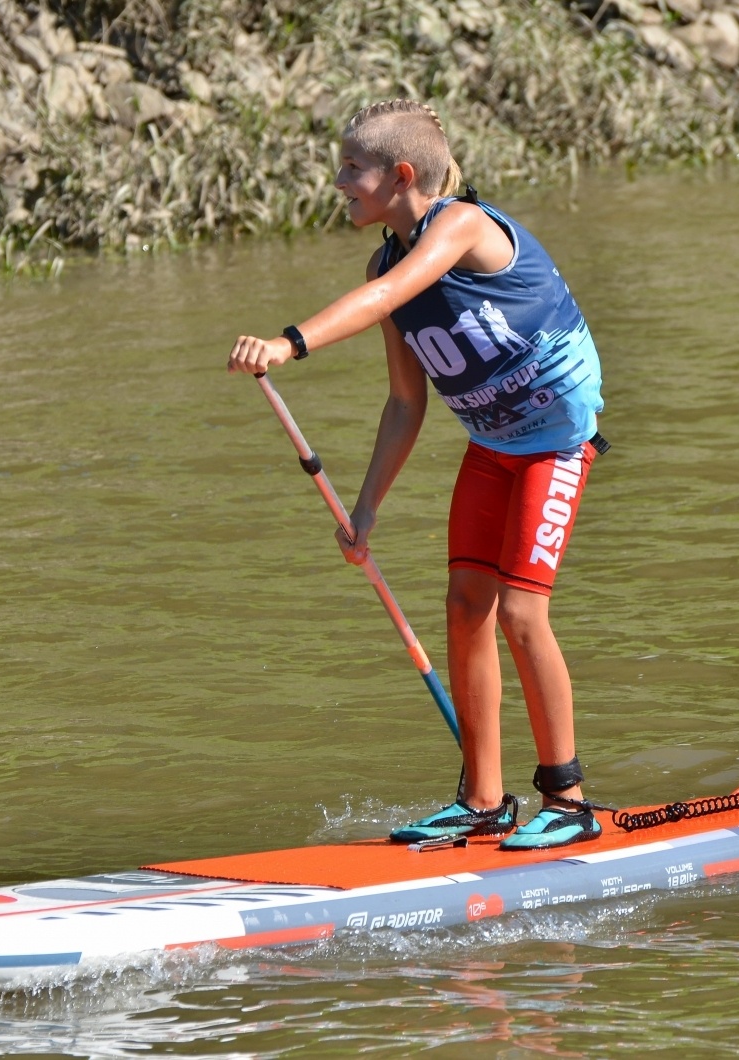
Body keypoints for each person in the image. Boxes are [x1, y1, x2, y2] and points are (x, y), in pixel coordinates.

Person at [226, 99, 608, 850]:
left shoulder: (461, 227)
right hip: (494, 445)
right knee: (467, 607)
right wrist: (366, 509)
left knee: (524, 616)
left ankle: (569, 801)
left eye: (352, 169)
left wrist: (288, 343)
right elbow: (406, 402)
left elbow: (383, 302)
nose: (339, 182)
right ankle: (482, 802)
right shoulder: (383, 259)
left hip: (556, 442)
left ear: (402, 175)